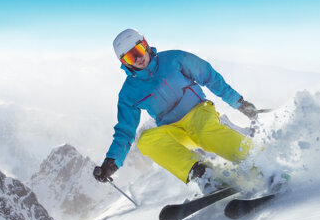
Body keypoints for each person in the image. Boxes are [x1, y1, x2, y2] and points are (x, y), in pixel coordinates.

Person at [92, 28, 260, 193]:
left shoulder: (174, 59)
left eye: (138, 50)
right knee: (146, 141)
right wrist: (112, 162)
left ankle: (257, 160)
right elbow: (125, 131)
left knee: (205, 132)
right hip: (175, 129)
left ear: (145, 44)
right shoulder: (129, 92)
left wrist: (239, 103)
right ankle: (202, 174)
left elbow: (209, 76)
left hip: (199, 112)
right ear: (124, 63)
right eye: (130, 57)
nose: (138, 58)